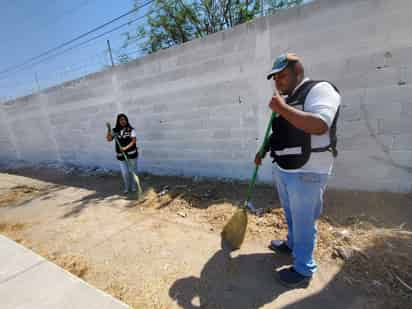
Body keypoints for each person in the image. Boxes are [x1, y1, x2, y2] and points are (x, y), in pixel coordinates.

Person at [255, 53, 341, 288]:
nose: (278, 81)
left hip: (308, 171)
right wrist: (262, 150)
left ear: (298, 71)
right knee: (291, 214)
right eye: (274, 78)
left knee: (304, 221)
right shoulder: (287, 99)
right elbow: (279, 132)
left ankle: (303, 269)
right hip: (285, 168)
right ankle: (292, 244)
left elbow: (319, 124)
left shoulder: (319, 90)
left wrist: (282, 108)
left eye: (282, 75)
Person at [106, 113, 139, 194]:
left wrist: (125, 148)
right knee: (125, 173)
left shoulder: (131, 129)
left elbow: (133, 141)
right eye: (121, 120)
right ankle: (127, 187)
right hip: (121, 156)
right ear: (118, 121)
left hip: (132, 154)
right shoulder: (115, 130)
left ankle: (134, 186)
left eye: (124, 119)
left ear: (126, 120)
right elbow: (109, 139)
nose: (123, 121)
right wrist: (109, 129)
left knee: (133, 171)